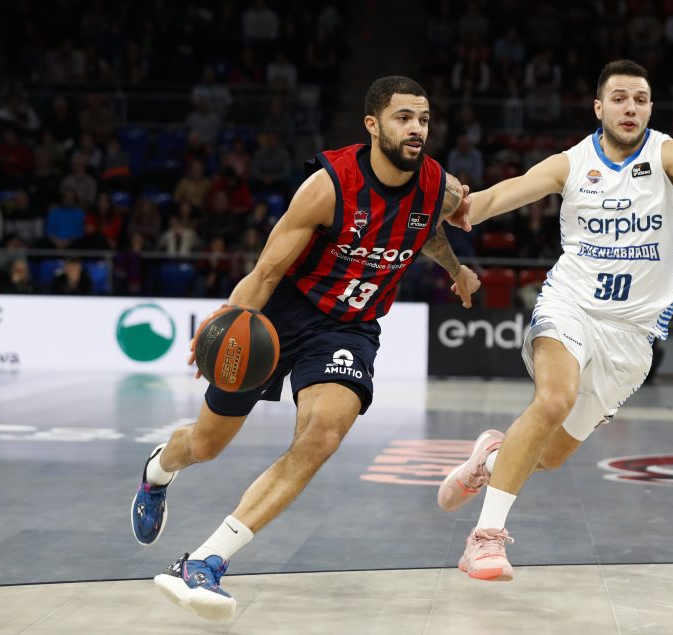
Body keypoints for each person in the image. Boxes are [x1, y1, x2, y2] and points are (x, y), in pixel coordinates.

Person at [131, 76, 480, 621]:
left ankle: (205, 561)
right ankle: (158, 471)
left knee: (322, 436)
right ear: (372, 125)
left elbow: (426, 227)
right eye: (404, 118)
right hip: (282, 317)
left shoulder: (442, 187)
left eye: (424, 119)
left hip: (349, 329)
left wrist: (456, 269)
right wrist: (227, 320)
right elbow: (266, 272)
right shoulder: (328, 187)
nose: (417, 129)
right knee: (205, 444)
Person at [438, 59, 673, 582]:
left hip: (632, 336)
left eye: (640, 100)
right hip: (571, 305)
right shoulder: (571, 163)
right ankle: (484, 540)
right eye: (620, 98)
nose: (631, 108)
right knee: (553, 399)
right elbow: (502, 195)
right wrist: (461, 207)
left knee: (551, 456)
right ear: (599, 108)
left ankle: (488, 461)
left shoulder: (668, 154)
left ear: (650, 108)